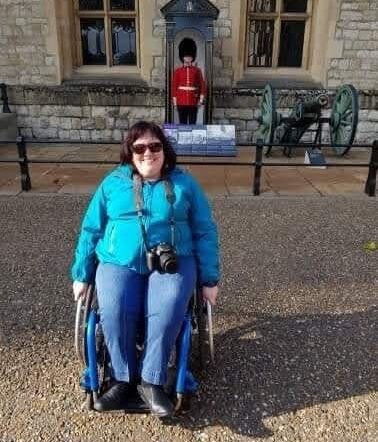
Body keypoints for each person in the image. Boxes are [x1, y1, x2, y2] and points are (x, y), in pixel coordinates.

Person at [71, 121, 220, 417]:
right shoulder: (113, 183)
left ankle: (152, 380)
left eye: (155, 146)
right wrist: (81, 273)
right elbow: (91, 229)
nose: (147, 153)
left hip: (174, 258)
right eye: (139, 148)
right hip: (118, 259)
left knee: (167, 308)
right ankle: (122, 379)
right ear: (130, 152)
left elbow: (205, 230)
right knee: (112, 308)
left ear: (165, 150)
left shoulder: (184, 184)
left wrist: (210, 279)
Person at [172, 45, 206, 125]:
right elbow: (174, 86)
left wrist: (201, 99)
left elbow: (202, 85)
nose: (188, 58)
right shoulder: (177, 71)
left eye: (189, 56)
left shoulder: (197, 70)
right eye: (186, 56)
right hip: (181, 101)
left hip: (193, 101)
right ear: (182, 58)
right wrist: (175, 101)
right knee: (182, 124)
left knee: (192, 124)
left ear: (192, 58)